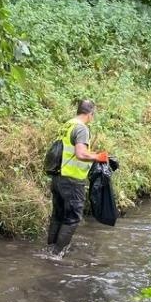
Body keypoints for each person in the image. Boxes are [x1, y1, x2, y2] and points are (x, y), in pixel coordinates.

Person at [47, 99, 109, 256]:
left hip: (58, 178)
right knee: (72, 218)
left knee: (58, 216)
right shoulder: (81, 128)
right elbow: (81, 154)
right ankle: (57, 255)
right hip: (72, 181)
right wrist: (98, 157)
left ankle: (50, 250)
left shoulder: (67, 125)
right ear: (90, 114)